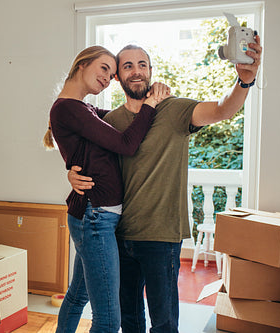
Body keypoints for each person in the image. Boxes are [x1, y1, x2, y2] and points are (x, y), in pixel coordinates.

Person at [68, 38, 262, 333]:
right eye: (128, 65)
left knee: (164, 323)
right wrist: (70, 172)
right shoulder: (110, 120)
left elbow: (223, 110)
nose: (136, 71)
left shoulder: (176, 110)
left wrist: (244, 82)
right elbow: (81, 151)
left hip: (161, 236)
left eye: (142, 65)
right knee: (129, 321)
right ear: (117, 76)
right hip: (118, 234)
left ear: (150, 72)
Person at [43, 45, 171, 333]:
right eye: (104, 68)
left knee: (78, 295)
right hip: (95, 218)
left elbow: (121, 117)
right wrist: (150, 105)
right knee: (109, 319)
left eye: (112, 73)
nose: (108, 77)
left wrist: (149, 97)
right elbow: (126, 143)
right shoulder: (67, 108)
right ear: (81, 65)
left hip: (92, 215)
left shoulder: (83, 109)